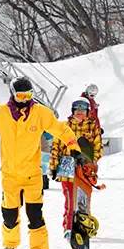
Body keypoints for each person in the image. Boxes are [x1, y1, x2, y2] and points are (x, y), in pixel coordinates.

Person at [0, 77, 83, 249]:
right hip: (10, 175)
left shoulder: (40, 113)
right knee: (9, 215)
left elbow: (61, 129)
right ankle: (10, 243)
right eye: (21, 96)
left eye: (28, 95)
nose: (24, 100)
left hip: (32, 175)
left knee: (35, 214)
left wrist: (74, 148)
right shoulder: (0, 113)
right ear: (13, 94)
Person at [49, 98, 103, 237]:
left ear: (87, 112)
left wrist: (91, 163)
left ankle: (83, 224)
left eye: (82, 110)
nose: (79, 112)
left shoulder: (92, 127)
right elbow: (56, 147)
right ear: (72, 111)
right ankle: (68, 227)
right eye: (77, 109)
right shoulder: (64, 126)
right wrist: (53, 167)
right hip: (67, 165)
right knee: (70, 197)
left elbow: (98, 148)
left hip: (84, 168)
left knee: (83, 197)